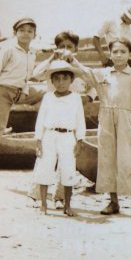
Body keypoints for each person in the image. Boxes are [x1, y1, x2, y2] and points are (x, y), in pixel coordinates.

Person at [80, 38, 131, 217]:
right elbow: (85, 72)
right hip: (106, 117)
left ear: (130, 55)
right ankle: (113, 201)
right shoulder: (103, 74)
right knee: (107, 158)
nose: (118, 55)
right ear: (110, 54)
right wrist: (71, 60)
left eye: (123, 52)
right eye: (115, 51)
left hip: (125, 119)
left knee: (128, 159)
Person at [28, 30, 97, 206]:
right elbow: (35, 73)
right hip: (50, 116)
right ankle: (36, 196)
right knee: (44, 160)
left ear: (76, 49)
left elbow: (93, 81)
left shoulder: (76, 68)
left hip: (69, 119)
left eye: (69, 47)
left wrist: (88, 97)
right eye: (61, 47)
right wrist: (52, 57)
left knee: (66, 163)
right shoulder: (51, 66)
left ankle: (59, 198)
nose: (65, 50)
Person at [0, 17, 38, 187]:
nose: (25, 34)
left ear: (34, 35)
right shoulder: (9, 49)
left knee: (45, 93)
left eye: (29, 31)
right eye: (22, 30)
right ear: (15, 33)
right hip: (1, 92)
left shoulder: (31, 53)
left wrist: (24, 92)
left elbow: (27, 75)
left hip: (17, 93)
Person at [32, 61, 86, 217]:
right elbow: (40, 120)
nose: (61, 82)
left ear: (71, 80)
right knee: (45, 168)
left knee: (68, 169)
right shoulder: (48, 97)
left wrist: (80, 140)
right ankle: (43, 205)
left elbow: (80, 120)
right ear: (52, 81)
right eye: (57, 79)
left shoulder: (75, 98)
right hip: (49, 135)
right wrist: (38, 140)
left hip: (68, 136)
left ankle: (67, 205)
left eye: (64, 78)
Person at [93, 2, 131, 68]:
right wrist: (102, 55)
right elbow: (96, 37)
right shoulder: (110, 21)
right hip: (114, 58)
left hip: (128, 60)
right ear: (126, 16)